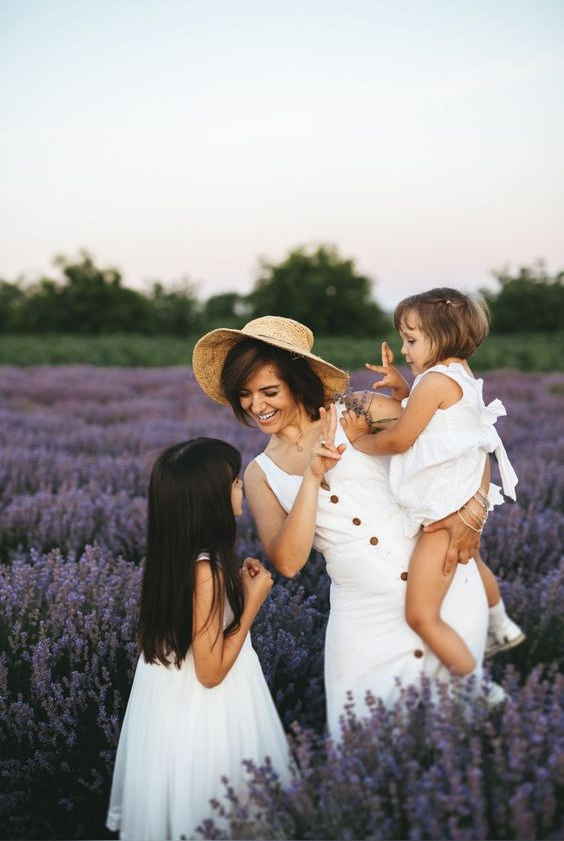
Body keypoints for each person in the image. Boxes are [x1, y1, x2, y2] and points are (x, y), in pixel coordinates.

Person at [192, 316, 501, 738]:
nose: (255, 405)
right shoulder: (261, 474)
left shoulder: (358, 410)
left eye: (269, 391)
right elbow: (287, 561)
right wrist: (311, 479)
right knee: (365, 746)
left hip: (444, 592)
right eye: (244, 395)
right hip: (364, 619)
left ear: (297, 382)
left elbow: (461, 439)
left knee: (461, 742)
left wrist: (475, 509)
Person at [106, 437, 292, 841]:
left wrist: (239, 588)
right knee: (218, 809)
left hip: (169, 709)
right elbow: (209, 672)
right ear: (211, 499)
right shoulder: (205, 571)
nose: (241, 486)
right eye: (234, 482)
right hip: (207, 712)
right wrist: (251, 606)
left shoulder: (175, 560)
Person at [340, 288, 524, 679]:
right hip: (457, 498)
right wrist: (402, 387)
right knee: (473, 560)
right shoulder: (458, 377)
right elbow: (434, 424)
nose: (405, 351)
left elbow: (401, 439)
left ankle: (477, 687)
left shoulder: (435, 382)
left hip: (442, 513)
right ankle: (501, 623)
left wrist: (360, 441)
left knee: (421, 615)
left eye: (411, 340)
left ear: (441, 338)